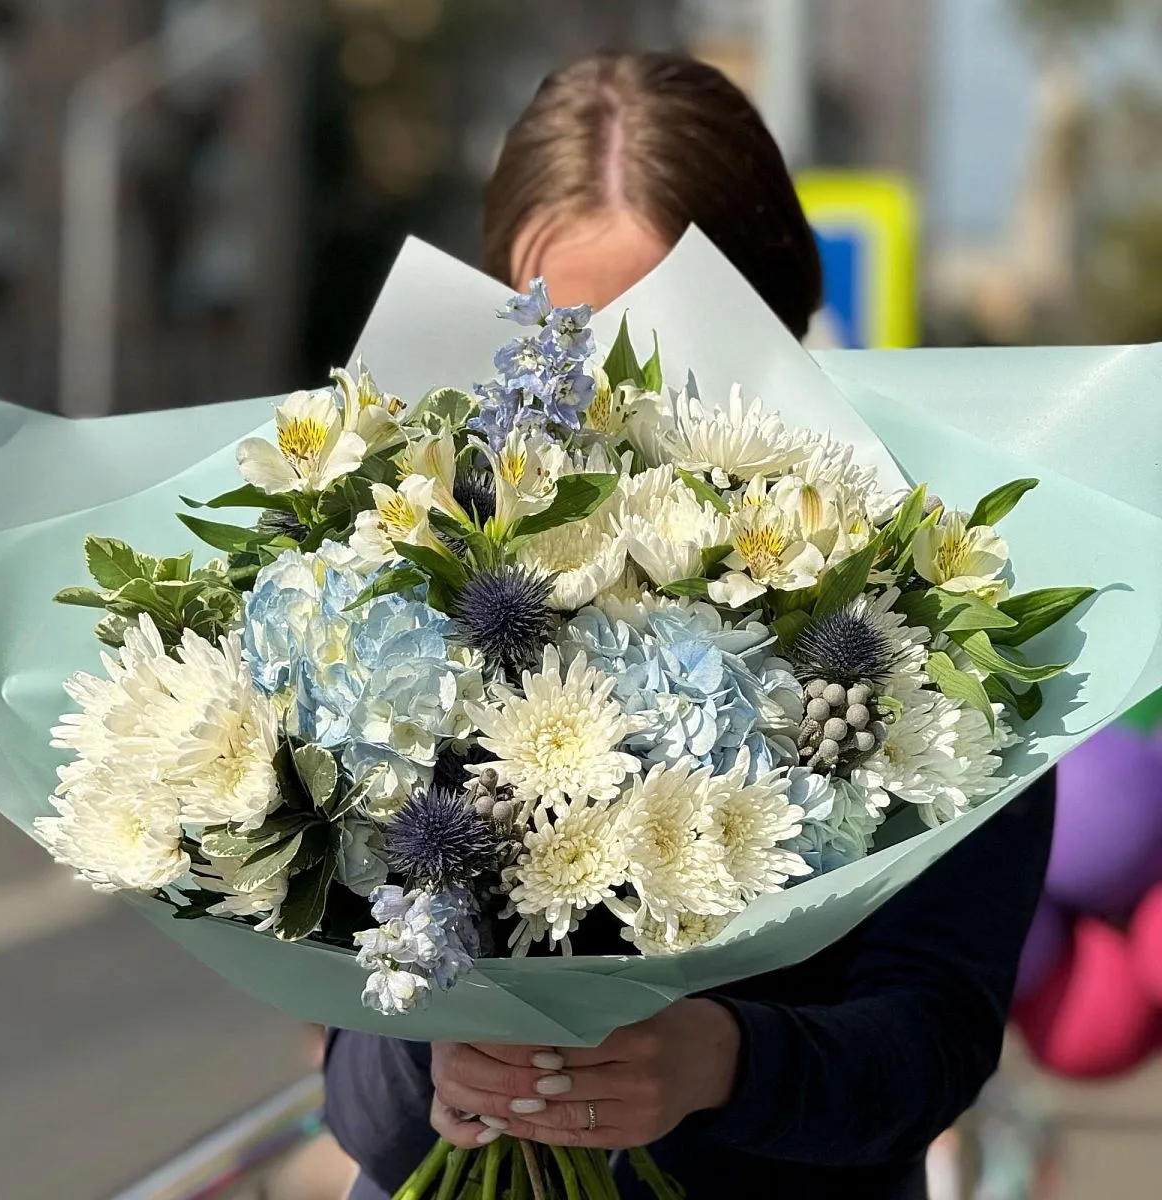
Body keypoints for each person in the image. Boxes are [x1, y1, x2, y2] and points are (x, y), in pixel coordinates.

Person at [323, 52, 1056, 1200]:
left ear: (776, 321)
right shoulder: (407, 602)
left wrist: (730, 1063)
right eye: (559, 342)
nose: (605, 401)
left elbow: (937, 1035)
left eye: (659, 344)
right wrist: (439, 1058)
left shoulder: (924, 617)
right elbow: (354, 1098)